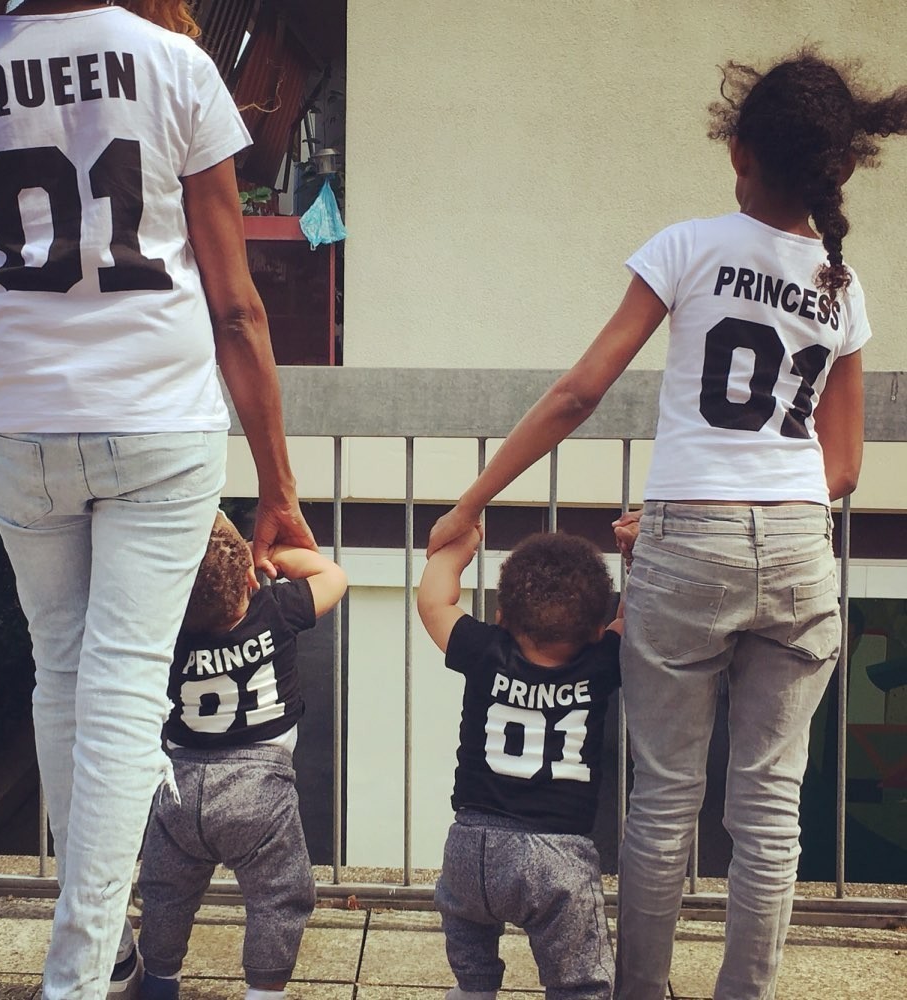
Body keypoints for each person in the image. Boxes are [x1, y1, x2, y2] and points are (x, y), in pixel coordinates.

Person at [426, 49, 907, 1000]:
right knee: (769, 810)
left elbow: (579, 394)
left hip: (688, 550)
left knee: (665, 805)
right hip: (799, 549)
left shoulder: (688, 247)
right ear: (835, 169)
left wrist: (472, 499)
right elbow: (844, 466)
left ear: (739, 152)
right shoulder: (841, 289)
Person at [0, 2, 316, 997]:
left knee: (62, 669)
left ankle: (102, 950)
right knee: (126, 686)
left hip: (19, 422)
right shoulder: (173, 63)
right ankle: (81, 971)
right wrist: (278, 484)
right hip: (157, 417)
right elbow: (236, 307)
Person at [135, 510, 347, 1000]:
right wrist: (272, 553)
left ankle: (160, 981)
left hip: (179, 787)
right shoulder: (275, 609)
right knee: (278, 896)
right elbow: (333, 576)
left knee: (166, 893)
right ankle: (264, 992)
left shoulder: (164, 631)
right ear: (250, 579)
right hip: (258, 791)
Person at [418, 529, 623, 1000]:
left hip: (472, 845)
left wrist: (458, 548)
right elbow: (630, 619)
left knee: (469, 934)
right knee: (580, 978)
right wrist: (639, 557)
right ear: (596, 629)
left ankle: (473, 989)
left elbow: (432, 603)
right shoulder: (603, 661)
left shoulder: (484, 650)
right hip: (556, 856)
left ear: (501, 617)